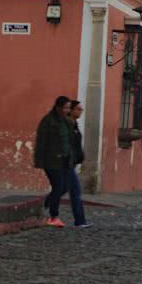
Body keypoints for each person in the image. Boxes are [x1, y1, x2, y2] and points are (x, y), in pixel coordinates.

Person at [34, 96, 74, 228]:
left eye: (69, 108)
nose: (67, 110)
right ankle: (54, 215)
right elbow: (41, 142)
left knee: (65, 187)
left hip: (65, 159)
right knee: (58, 187)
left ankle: (45, 204)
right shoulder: (48, 121)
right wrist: (40, 161)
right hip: (51, 160)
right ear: (58, 107)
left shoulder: (67, 122)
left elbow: (69, 141)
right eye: (65, 107)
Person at [68, 100, 91, 228]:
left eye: (81, 109)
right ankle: (80, 221)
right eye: (78, 109)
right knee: (75, 191)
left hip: (71, 162)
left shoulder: (74, 125)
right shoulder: (67, 125)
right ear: (70, 111)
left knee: (61, 190)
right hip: (66, 163)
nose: (81, 111)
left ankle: (46, 206)